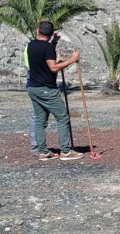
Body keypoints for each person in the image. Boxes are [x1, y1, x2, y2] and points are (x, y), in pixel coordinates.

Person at [26, 21, 82, 161]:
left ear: (37, 30)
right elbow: (53, 68)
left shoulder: (31, 45)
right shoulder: (47, 48)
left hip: (33, 88)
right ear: (51, 34)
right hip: (46, 89)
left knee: (40, 119)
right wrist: (72, 60)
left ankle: (43, 152)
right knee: (62, 117)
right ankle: (65, 151)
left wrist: (54, 43)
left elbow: (44, 53)